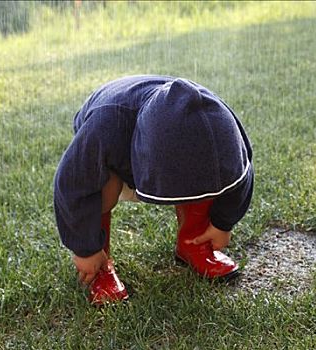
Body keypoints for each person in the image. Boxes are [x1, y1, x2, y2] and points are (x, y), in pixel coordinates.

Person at [54, 75, 254, 305]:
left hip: (174, 138)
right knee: (105, 188)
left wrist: (222, 223)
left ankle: (193, 244)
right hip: (114, 146)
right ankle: (100, 264)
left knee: (203, 171)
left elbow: (240, 175)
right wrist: (85, 248)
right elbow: (73, 186)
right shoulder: (104, 128)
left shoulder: (220, 124)